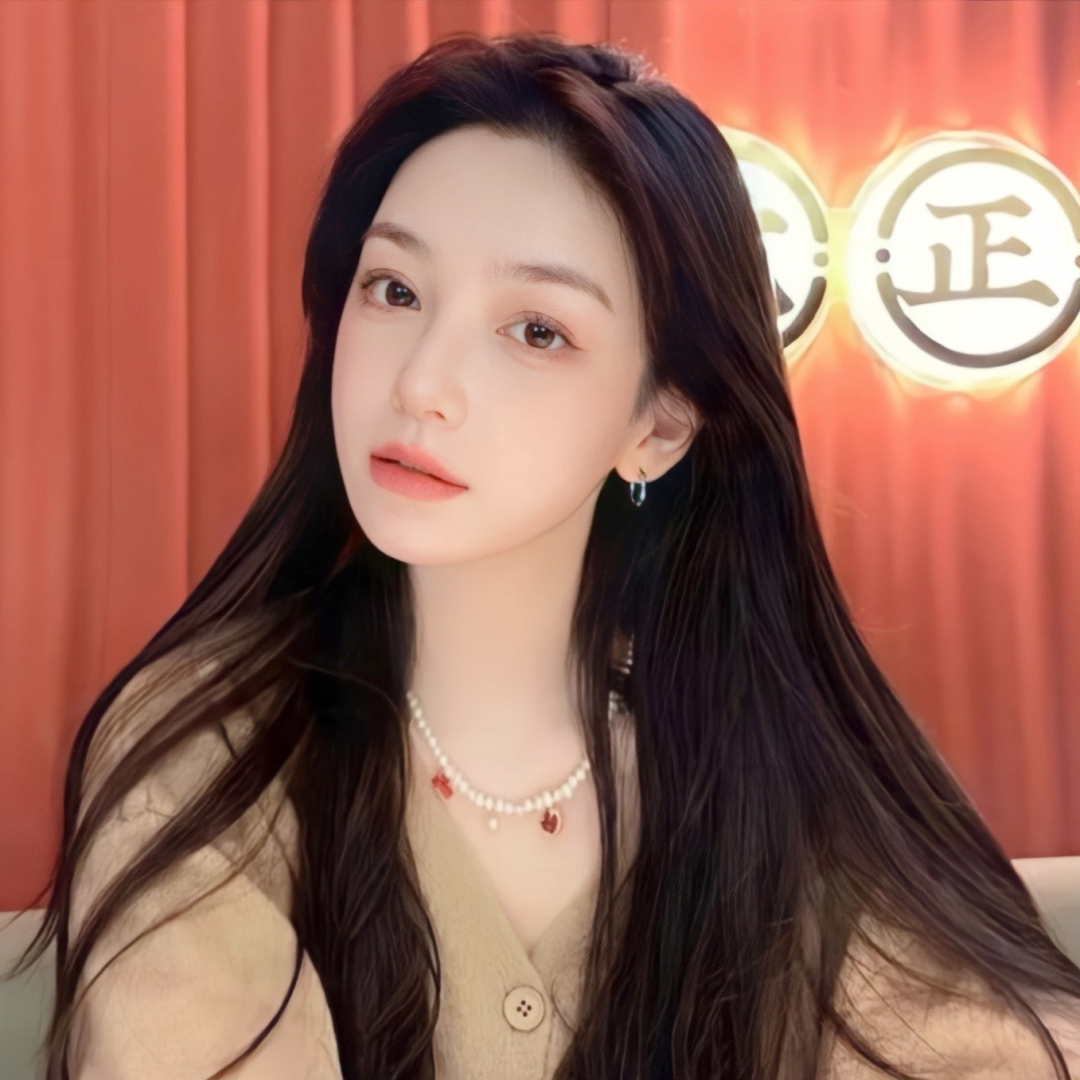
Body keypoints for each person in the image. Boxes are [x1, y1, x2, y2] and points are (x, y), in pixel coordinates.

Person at [6, 29, 1080, 1080]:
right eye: (395, 289)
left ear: (659, 424)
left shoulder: (773, 754)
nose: (421, 382)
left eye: (536, 330)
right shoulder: (210, 743)